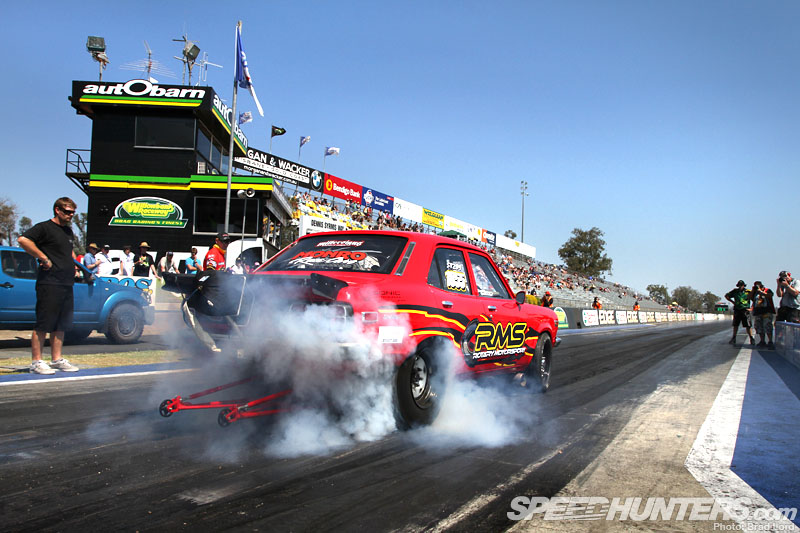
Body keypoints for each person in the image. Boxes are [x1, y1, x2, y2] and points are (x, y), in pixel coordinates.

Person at [17, 197, 80, 374]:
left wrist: (74, 266)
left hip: (66, 283)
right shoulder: (44, 227)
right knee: (44, 323)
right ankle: (36, 362)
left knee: (61, 324)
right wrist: (43, 258)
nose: (70, 215)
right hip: (49, 282)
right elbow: (23, 240)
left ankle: (56, 359)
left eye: (73, 212)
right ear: (57, 210)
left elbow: (68, 251)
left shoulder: (68, 231)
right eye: (67, 212)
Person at [725, 280, 755, 346]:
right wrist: (733, 302)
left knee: (748, 325)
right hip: (737, 309)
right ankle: (734, 338)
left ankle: (751, 338)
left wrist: (752, 308)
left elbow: (755, 299)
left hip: (745, 310)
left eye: (741, 285)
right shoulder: (735, 291)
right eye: (739, 285)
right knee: (735, 325)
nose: (740, 287)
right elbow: (726, 296)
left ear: (744, 285)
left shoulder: (748, 292)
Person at [749, 281, 775, 349]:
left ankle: (770, 341)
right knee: (759, 327)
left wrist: (761, 291)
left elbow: (770, 295)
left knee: (767, 326)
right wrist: (753, 291)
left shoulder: (767, 290)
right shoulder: (755, 293)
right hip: (758, 312)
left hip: (767, 311)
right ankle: (762, 341)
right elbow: (749, 297)